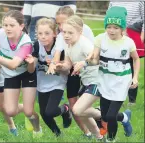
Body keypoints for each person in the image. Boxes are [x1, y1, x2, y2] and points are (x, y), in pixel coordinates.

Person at [0, 10, 42, 137]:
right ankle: (25, 108)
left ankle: (37, 129)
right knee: (10, 111)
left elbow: (13, 64)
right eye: (5, 25)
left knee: (28, 111)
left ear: (21, 26)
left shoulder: (26, 42)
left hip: (26, 73)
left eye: (12, 25)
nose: (7, 28)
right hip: (10, 74)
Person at [87, 6, 140, 142]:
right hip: (104, 80)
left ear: (122, 28)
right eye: (109, 26)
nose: (111, 30)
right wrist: (89, 60)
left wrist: (135, 77)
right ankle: (124, 118)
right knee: (105, 115)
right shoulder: (100, 39)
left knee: (110, 116)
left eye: (116, 27)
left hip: (121, 82)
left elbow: (136, 59)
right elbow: (94, 57)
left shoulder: (128, 42)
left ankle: (111, 139)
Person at [47, 6, 98, 138]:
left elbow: (95, 56)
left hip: (92, 75)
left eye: (63, 23)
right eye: (58, 24)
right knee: (75, 105)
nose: (60, 27)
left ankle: (107, 121)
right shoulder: (62, 37)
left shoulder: (85, 33)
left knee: (81, 108)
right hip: (75, 70)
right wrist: (56, 65)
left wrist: (84, 63)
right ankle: (88, 133)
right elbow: (63, 61)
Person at [25, 17, 72, 137]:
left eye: (47, 33)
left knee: (50, 111)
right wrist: (30, 63)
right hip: (42, 84)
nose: (43, 36)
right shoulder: (36, 45)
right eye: (40, 33)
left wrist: (56, 65)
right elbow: (31, 70)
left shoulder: (60, 47)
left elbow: (67, 69)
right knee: (44, 114)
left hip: (58, 83)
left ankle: (65, 109)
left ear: (54, 33)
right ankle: (58, 135)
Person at [108, 1, 144, 106]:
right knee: (116, 65)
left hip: (133, 34)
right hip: (116, 35)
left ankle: (132, 99)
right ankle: (117, 97)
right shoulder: (113, 1)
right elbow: (108, 17)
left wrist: (141, 38)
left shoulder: (140, 1)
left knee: (130, 66)